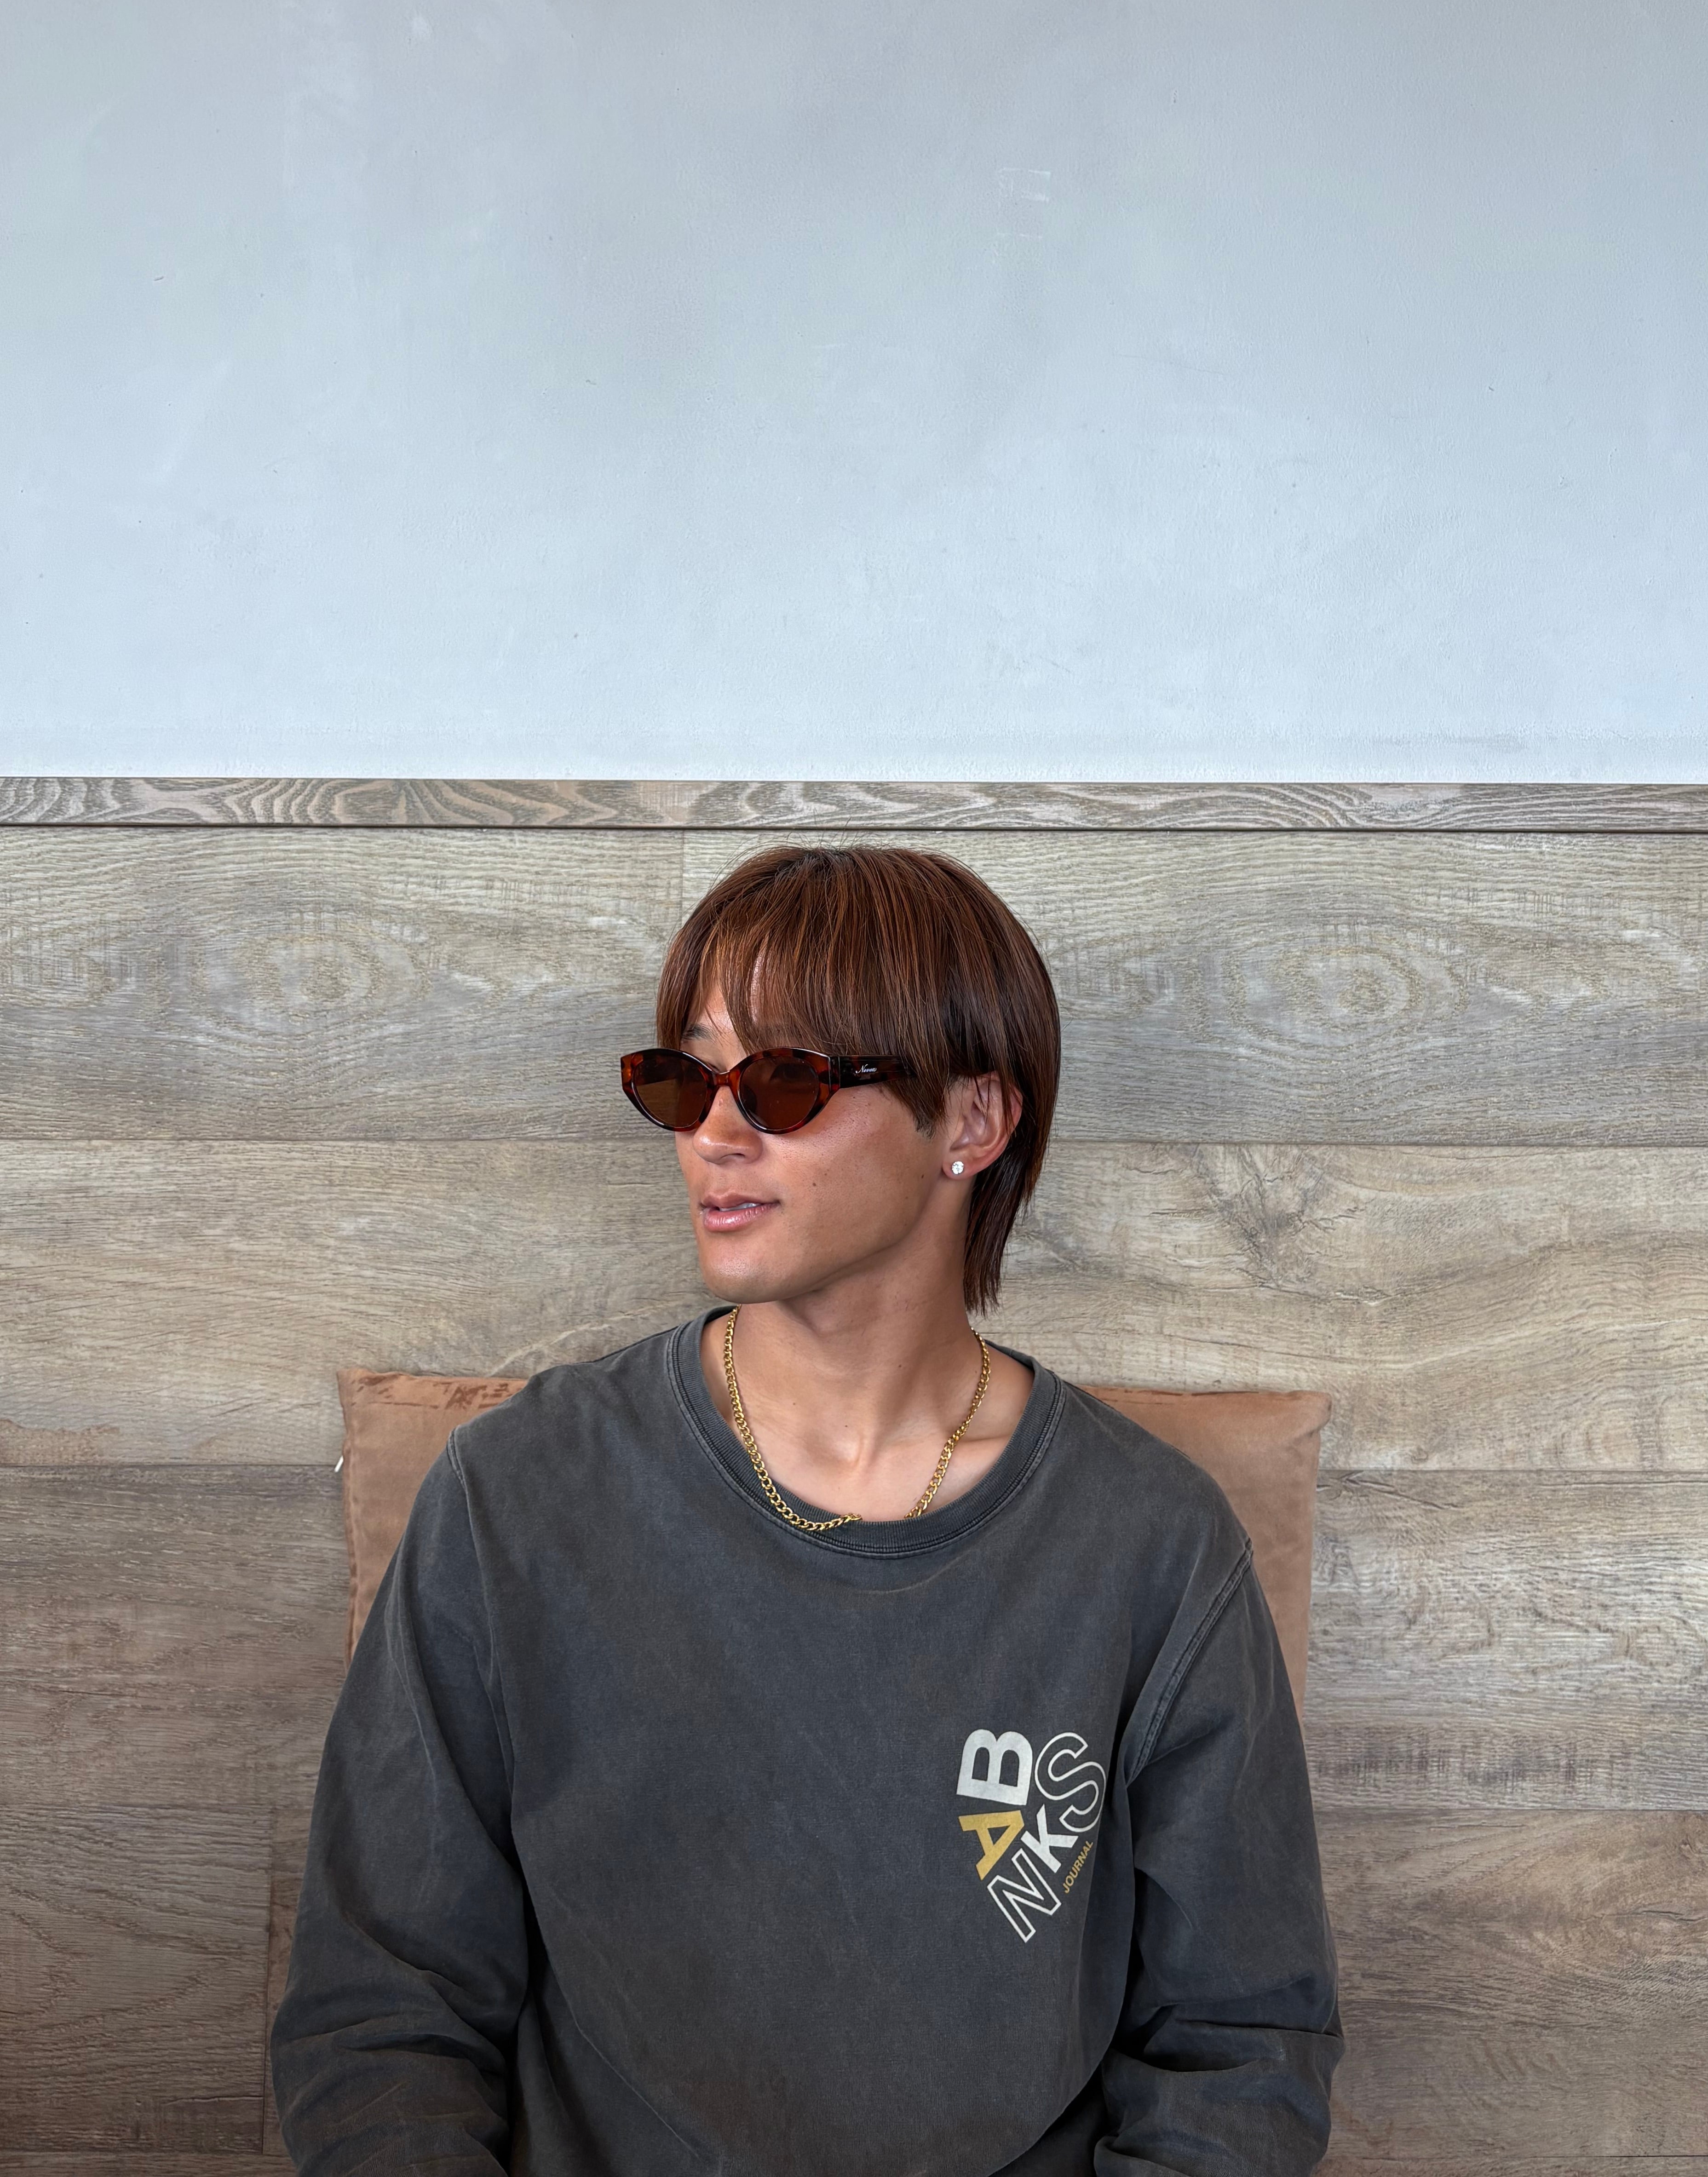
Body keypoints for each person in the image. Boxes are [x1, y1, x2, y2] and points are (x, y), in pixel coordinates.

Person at [270, 843, 1344, 2174]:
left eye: (785, 1081)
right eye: (684, 1079)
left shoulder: (1152, 1546)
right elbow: (381, 2016)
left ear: (973, 1122)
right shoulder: (517, 1497)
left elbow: (1241, 2046)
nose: (716, 1134)